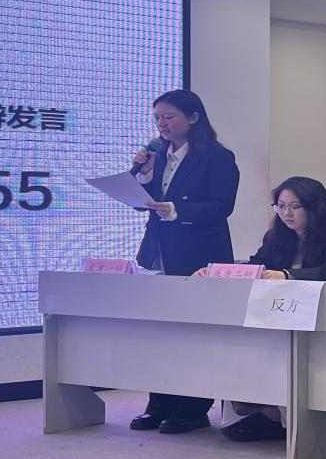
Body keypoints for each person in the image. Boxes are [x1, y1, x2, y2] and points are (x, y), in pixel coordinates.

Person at [195, 175, 326, 441]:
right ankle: (266, 410)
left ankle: (285, 416)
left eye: (294, 206)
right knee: (242, 345)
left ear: (315, 207)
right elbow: (257, 266)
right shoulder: (275, 236)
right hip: (275, 319)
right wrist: (216, 272)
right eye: (280, 206)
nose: (286, 213)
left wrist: (287, 275)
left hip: (319, 322)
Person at [128, 89, 240, 435]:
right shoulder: (157, 155)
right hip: (158, 254)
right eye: (157, 117)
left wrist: (177, 210)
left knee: (194, 334)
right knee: (160, 333)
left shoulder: (217, 157)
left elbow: (221, 207)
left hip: (197, 256)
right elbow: (144, 203)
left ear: (193, 118)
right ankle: (159, 404)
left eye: (169, 116)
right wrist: (144, 175)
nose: (161, 124)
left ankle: (193, 408)